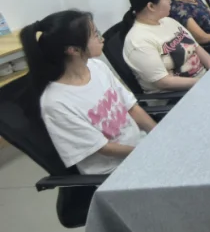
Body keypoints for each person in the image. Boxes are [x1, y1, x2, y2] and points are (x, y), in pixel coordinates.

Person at [20, 10, 157, 174]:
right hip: (114, 170)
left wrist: (158, 135)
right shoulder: (56, 102)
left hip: (140, 147)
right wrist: (146, 152)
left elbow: (132, 107)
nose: (101, 38)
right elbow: (104, 148)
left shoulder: (97, 67)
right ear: (73, 50)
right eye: (95, 34)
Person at [123, 0, 210, 93]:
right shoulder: (137, 41)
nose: (170, 1)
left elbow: (197, 48)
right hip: (180, 95)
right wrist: (205, 82)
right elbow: (164, 82)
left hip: (203, 80)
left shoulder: (168, 21)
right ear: (151, 6)